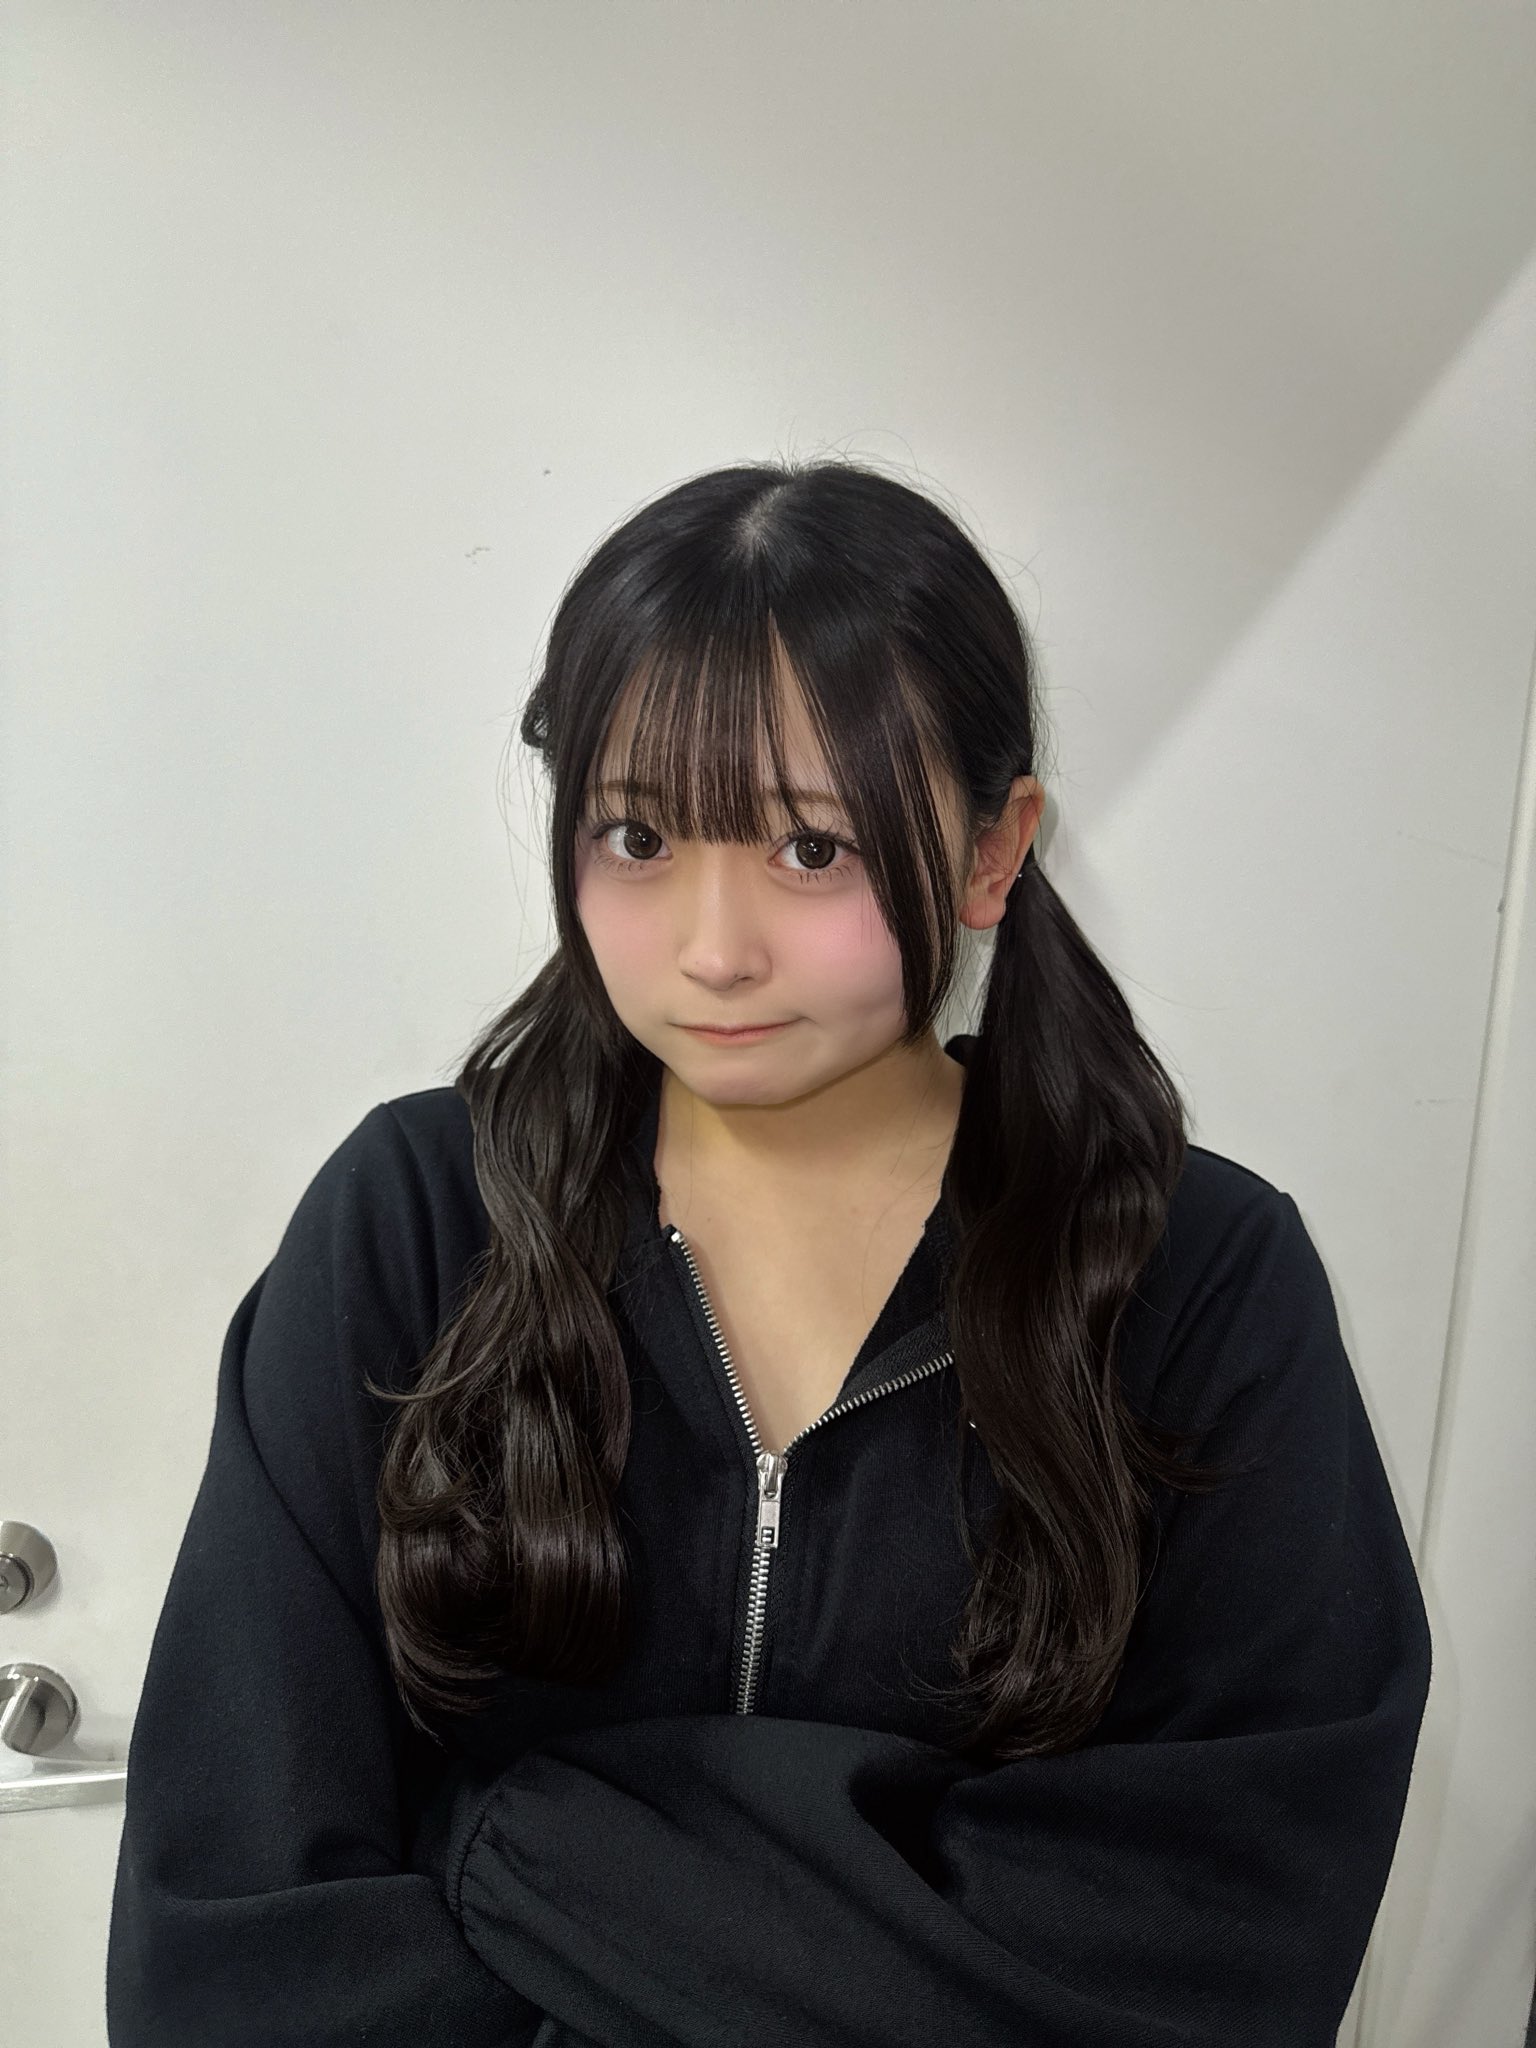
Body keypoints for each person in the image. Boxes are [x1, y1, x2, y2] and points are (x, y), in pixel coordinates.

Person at [106, 458, 1433, 2047]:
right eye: (638, 835)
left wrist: (516, 1851)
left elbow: (1213, 1945)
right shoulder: (413, 1226)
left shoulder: (1198, 1280)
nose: (714, 948)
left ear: (993, 850)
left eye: (813, 851)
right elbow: (236, 1936)